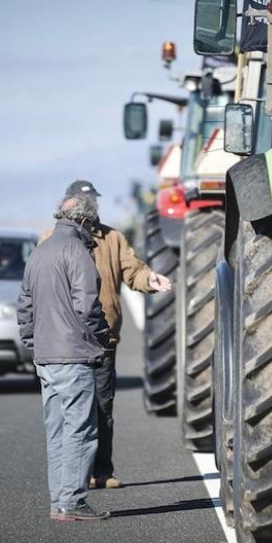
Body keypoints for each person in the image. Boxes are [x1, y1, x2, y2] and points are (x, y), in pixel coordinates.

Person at [40, 180, 172, 490]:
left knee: (102, 407)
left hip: (103, 338)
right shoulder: (49, 240)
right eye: (85, 202)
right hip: (66, 341)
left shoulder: (112, 238)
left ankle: (102, 471)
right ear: (67, 205)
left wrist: (148, 278)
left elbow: (132, 269)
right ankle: (73, 474)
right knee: (69, 410)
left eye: (92, 201)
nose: (91, 207)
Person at [19, 194, 111, 522]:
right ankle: (72, 502)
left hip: (46, 357)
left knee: (56, 430)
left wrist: (33, 344)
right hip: (73, 355)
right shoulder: (76, 252)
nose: (94, 230)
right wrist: (101, 339)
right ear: (84, 221)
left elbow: (25, 306)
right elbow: (88, 305)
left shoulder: (39, 251)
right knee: (81, 430)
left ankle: (59, 501)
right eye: (93, 224)